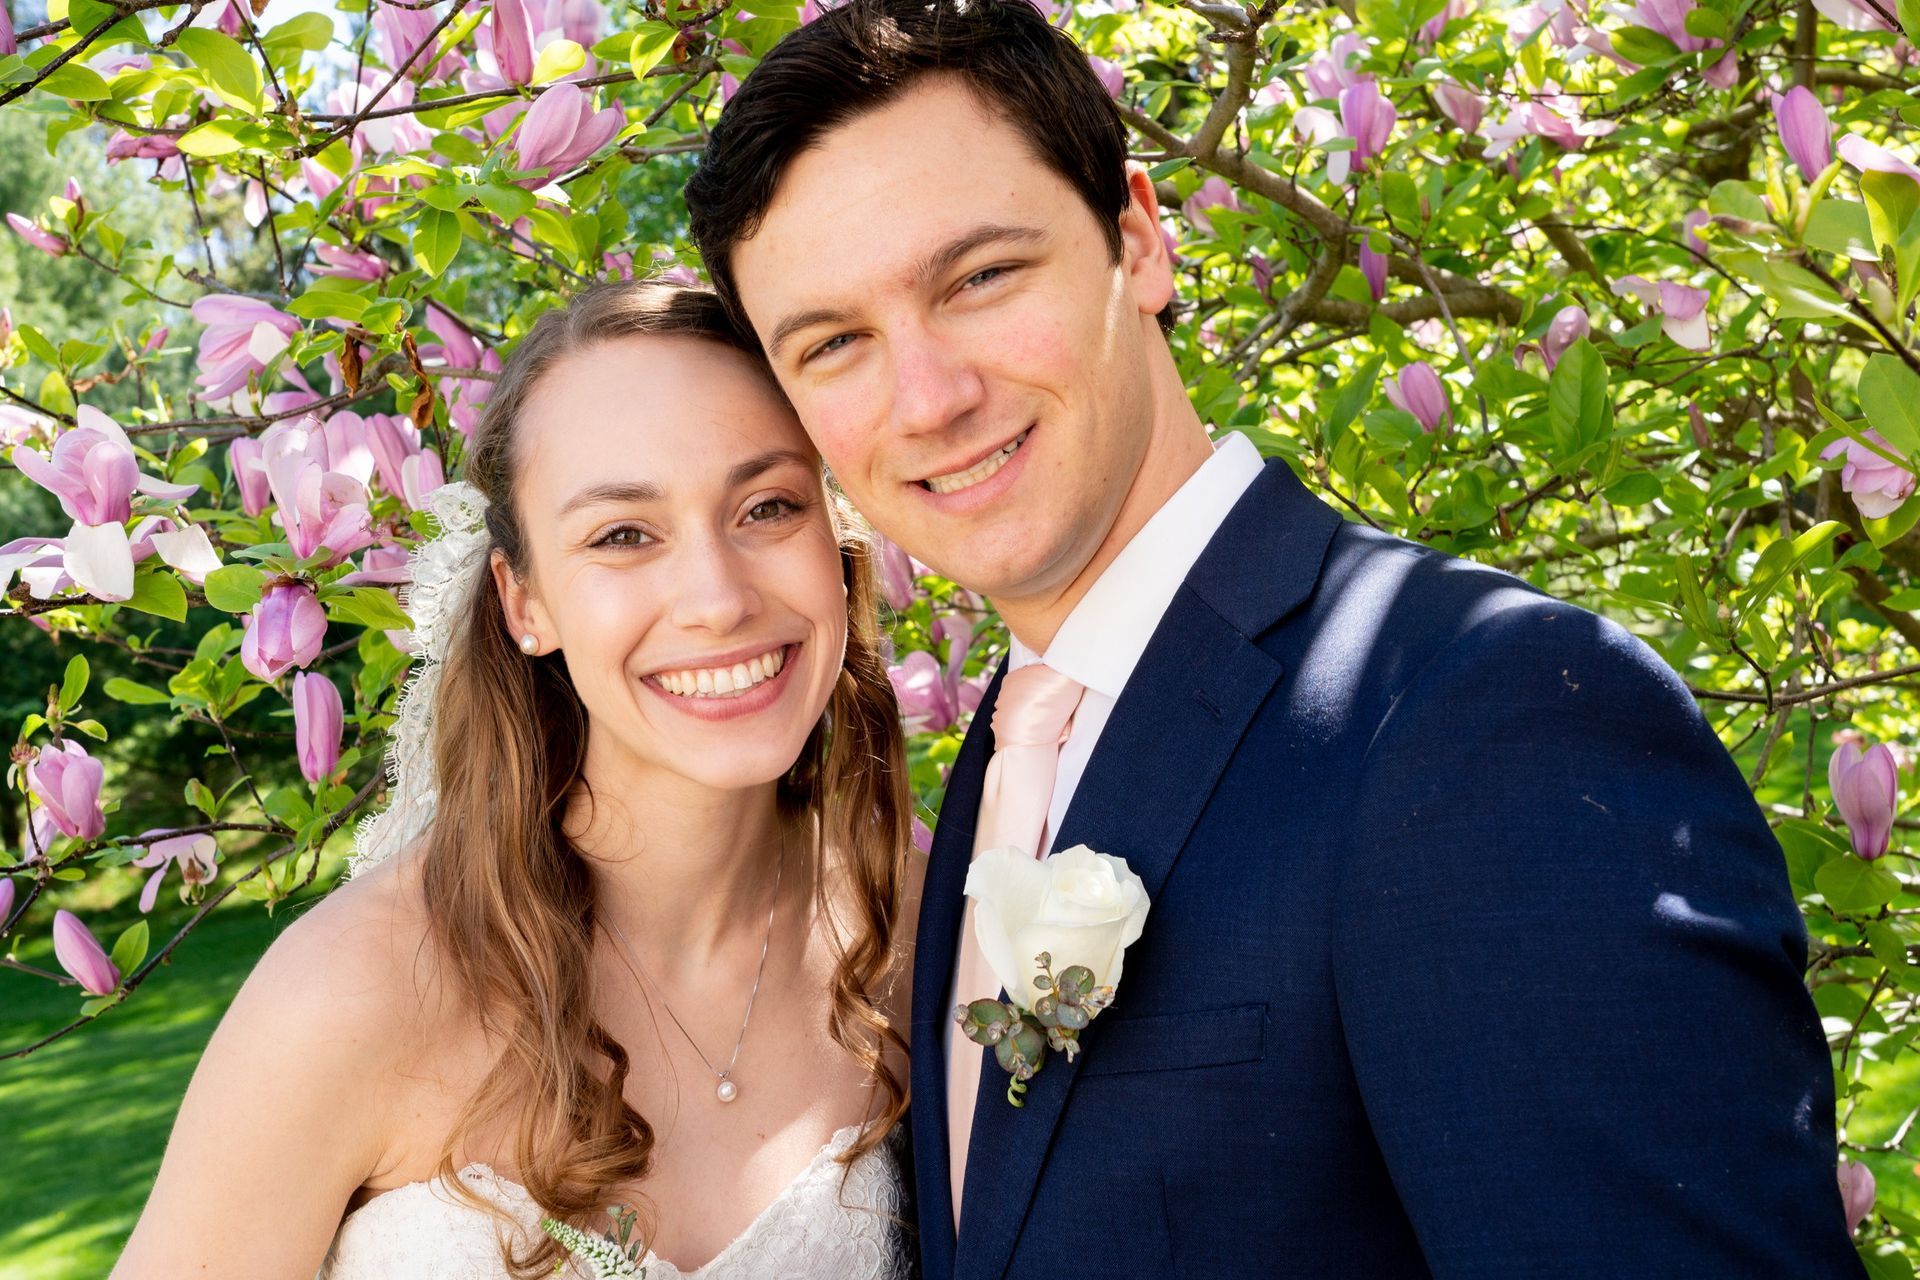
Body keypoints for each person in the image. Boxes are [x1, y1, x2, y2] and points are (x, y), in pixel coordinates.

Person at [684, 3, 1867, 1276]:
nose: (928, 396)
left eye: (979, 278)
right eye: (835, 343)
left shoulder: (1486, 715)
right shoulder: (1005, 760)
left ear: (1138, 240)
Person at [111, 282, 919, 1280]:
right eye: (624, 533)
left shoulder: (912, 932)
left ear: (834, 544)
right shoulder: (354, 990)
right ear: (523, 600)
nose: (717, 596)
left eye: (767, 506)